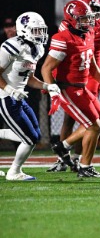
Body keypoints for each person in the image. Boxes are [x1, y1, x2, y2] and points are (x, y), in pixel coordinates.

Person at [42, 0, 100, 178]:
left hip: (82, 87)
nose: (88, 22)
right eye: (83, 18)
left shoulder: (89, 34)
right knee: (93, 126)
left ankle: (64, 146)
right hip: (68, 88)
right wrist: (53, 92)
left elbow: (92, 65)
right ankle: (85, 167)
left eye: (89, 18)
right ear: (71, 18)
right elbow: (46, 68)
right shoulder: (63, 38)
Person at [0, 13, 62, 180]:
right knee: (30, 138)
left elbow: (29, 78)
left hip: (19, 97)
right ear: (24, 30)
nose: (40, 34)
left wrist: (47, 86)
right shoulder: (12, 46)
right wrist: (11, 90)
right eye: (35, 30)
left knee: (34, 134)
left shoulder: (37, 48)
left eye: (41, 30)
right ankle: (14, 172)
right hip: (5, 97)